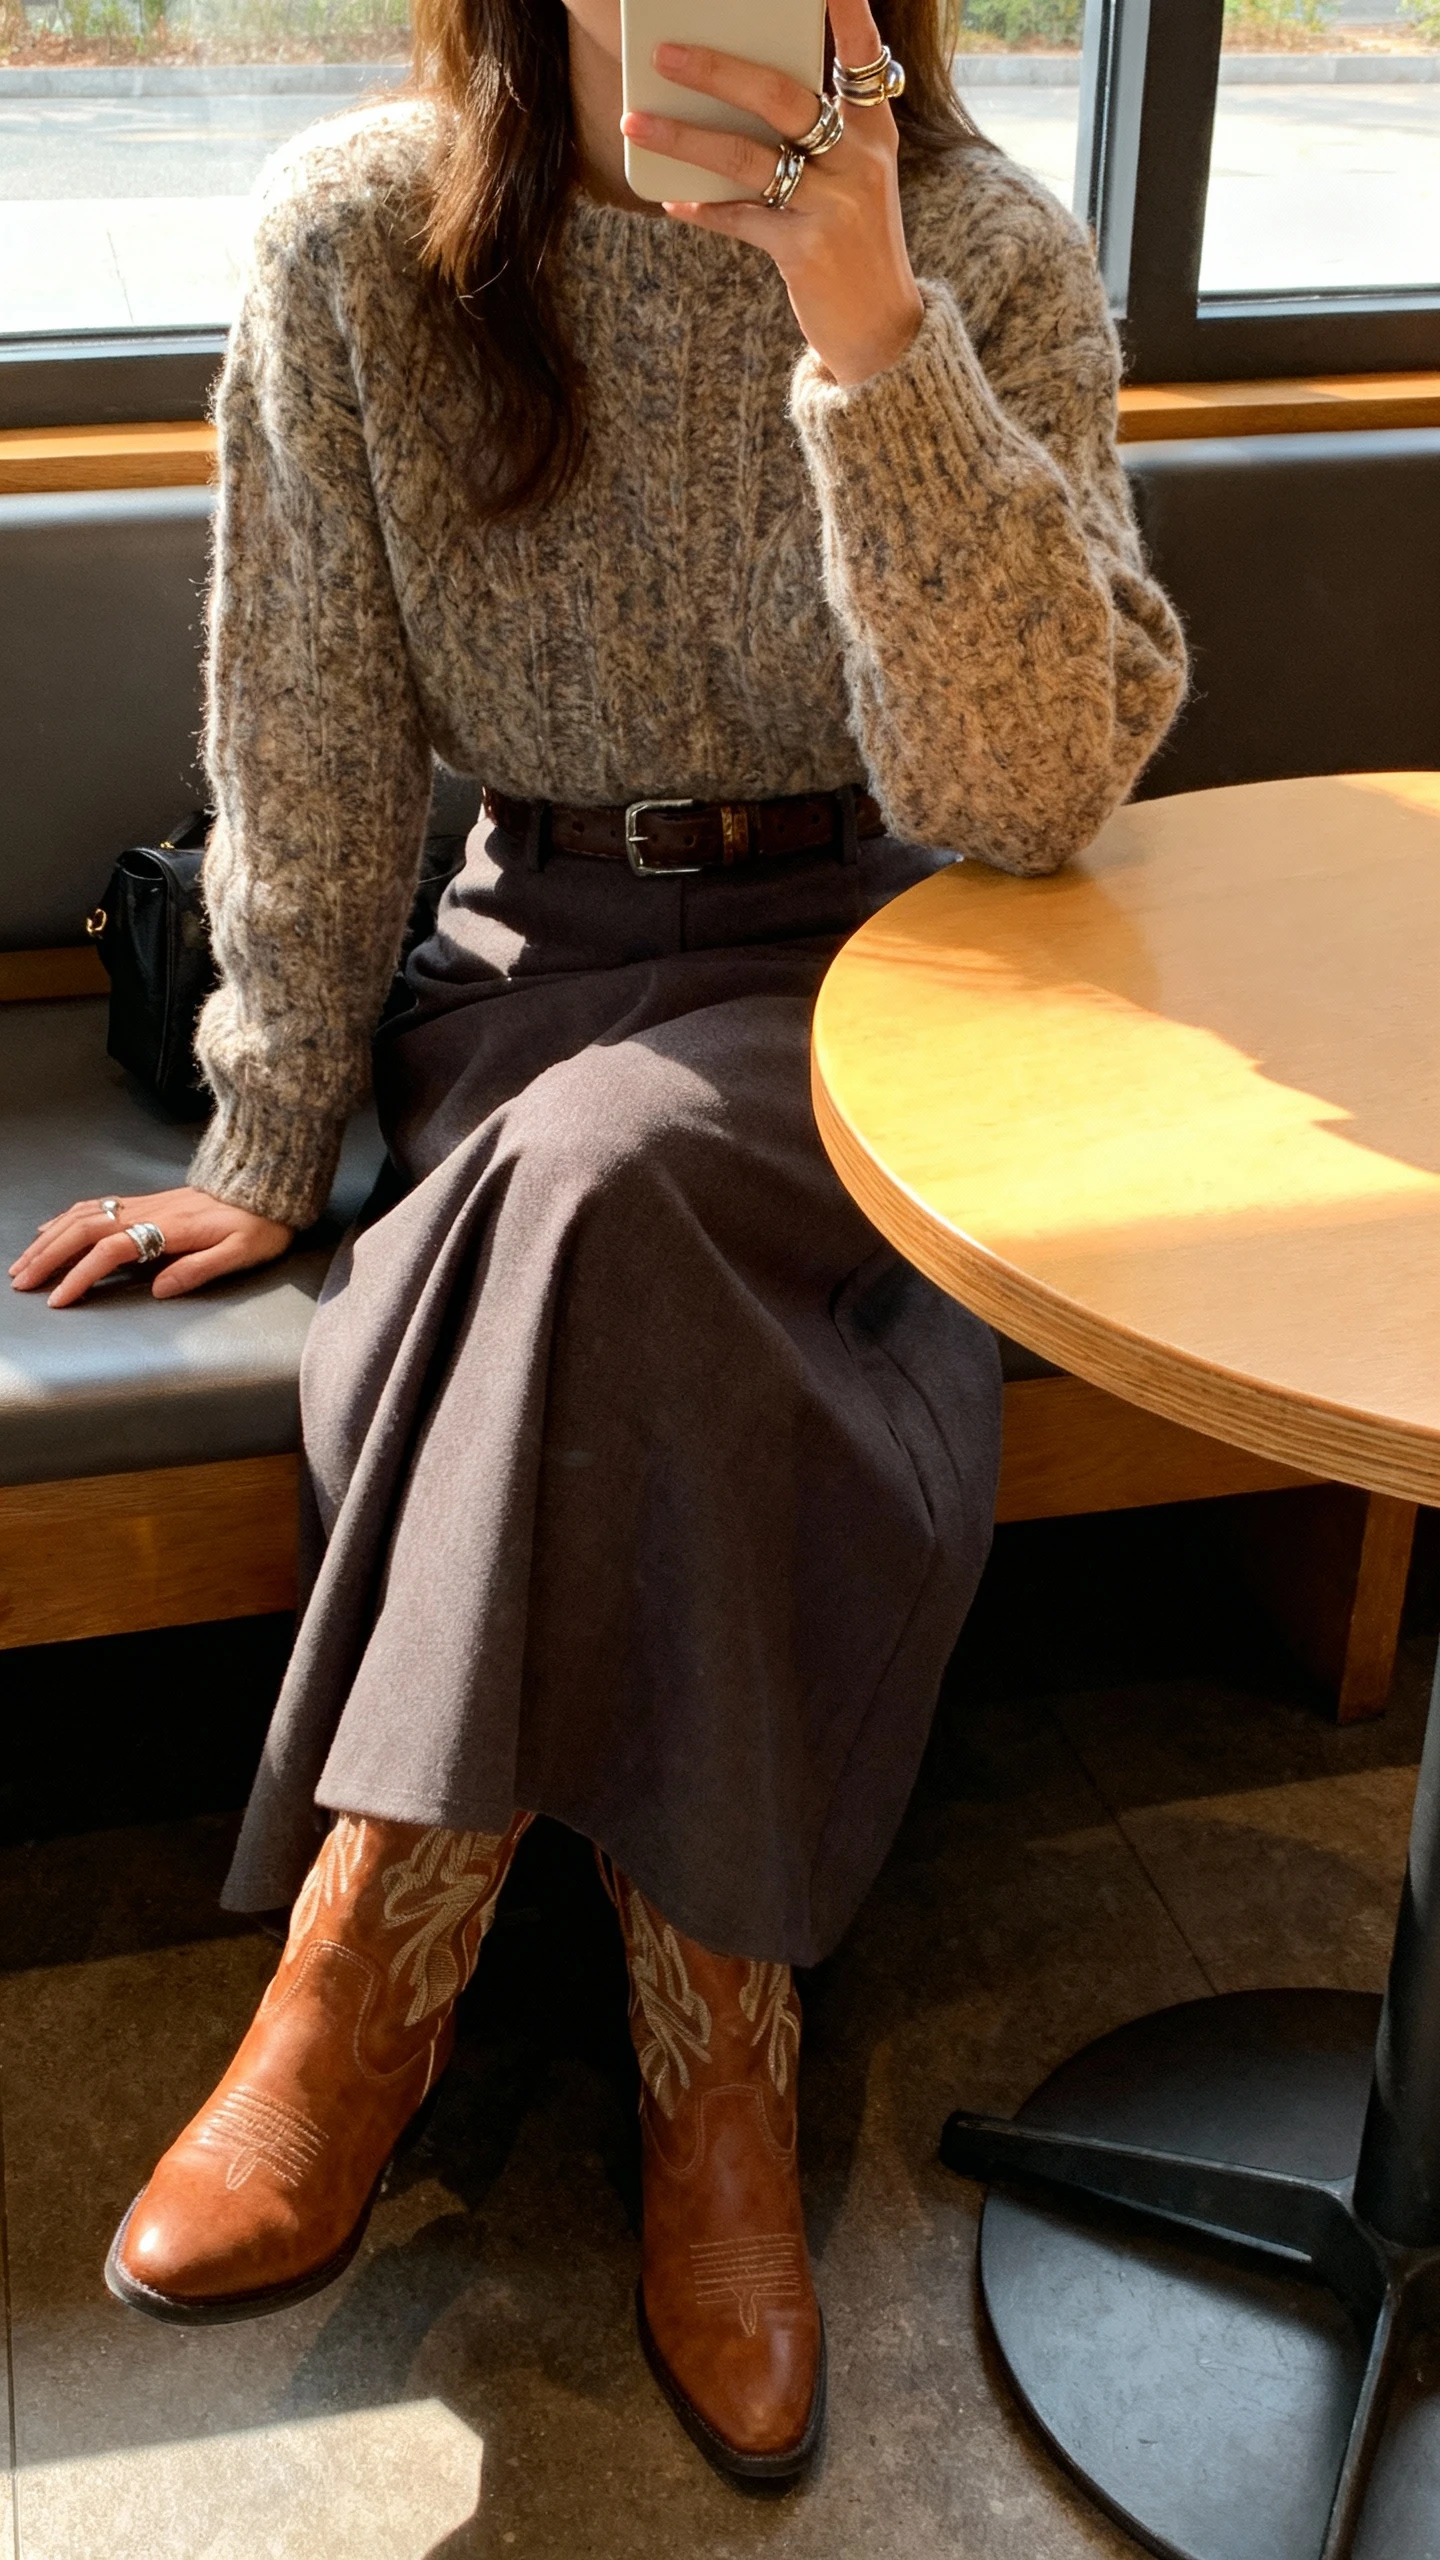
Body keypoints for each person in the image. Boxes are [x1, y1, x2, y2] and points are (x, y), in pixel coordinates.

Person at [9, 0, 1186, 2484]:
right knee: (597, 1184)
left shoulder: (985, 249)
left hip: (905, 983)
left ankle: (374, 1947)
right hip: (528, 974)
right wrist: (266, 1126)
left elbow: (1033, 795)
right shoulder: (364, 242)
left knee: (621, 1184)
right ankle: (712, 2058)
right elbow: (305, 723)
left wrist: (865, 329)